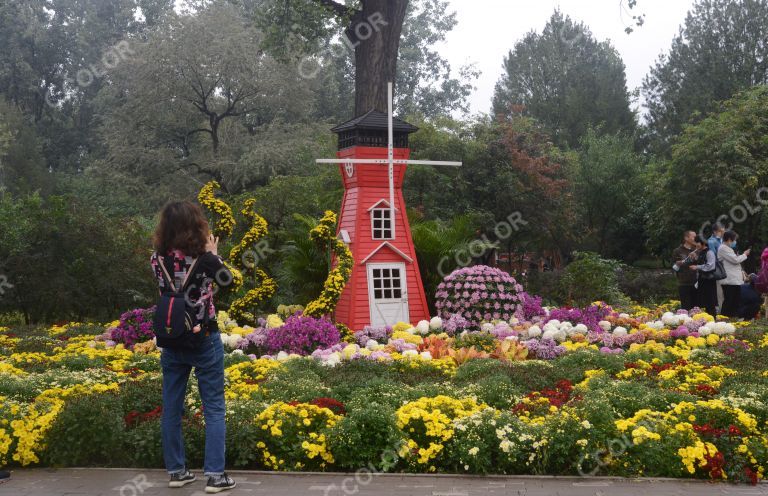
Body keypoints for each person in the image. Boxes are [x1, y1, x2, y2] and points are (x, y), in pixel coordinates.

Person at [151, 201, 236, 493]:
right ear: (196, 226)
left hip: (172, 338)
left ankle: (176, 471)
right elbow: (229, 282)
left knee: (171, 408)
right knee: (213, 406)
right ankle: (215, 476)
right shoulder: (205, 259)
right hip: (204, 337)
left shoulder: (156, 259)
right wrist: (214, 255)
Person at [717, 230, 751, 318]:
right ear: (729, 239)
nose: (735, 242)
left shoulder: (728, 248)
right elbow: (735, 260)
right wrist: (745, 254)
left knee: (735, 300)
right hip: (729, 280)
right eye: (734, 239)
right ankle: (724, 317)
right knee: (729, 300)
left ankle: (732, 317)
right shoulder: (723, 248)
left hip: (734, 279)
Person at [690, 235, 717, 316]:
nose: (696, 245)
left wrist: (697, 267)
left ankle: (712, 317)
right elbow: (702, 263)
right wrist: (695, 258)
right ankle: (705, 318)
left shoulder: (710, 252)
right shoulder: (701, 252)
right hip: (702, 279)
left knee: (710, 300)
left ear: (703, 243)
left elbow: (710, 266)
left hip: (709, 280)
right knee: (703, 301)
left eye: (697, 242)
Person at [672, 230, 699, 311]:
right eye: (693, 237)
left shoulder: (697, 250)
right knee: (686, 308)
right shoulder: (677, 251)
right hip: (683, 283)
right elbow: (673, 267)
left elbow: (702, 264)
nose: (695, 238)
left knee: (696, 309)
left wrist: (696, 258)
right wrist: (678, 263)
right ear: (686, 238)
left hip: (696, 282)